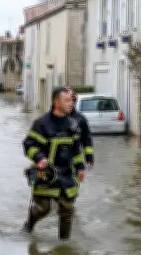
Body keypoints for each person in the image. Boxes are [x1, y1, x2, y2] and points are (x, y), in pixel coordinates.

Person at [22, 87, 86, 240]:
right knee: (42, 209)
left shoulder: (73, 124)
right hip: (46, 174)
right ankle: (29, 225)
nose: (71, 103)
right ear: (56, 103)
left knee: (67, 209)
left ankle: (64, 245)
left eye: (71, 100)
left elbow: (77, 148)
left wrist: (80, 167)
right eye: (67, 101)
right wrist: (39, 158)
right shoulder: (42, 124)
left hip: (66, 175)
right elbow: (28, 144)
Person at [65, 86, 95, 169]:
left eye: (73, 100)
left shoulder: (80, 118)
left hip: (74, 163)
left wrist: (89, 158)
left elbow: (86, 139)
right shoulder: (50, 119)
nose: (70, 103)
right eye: (67, 100)